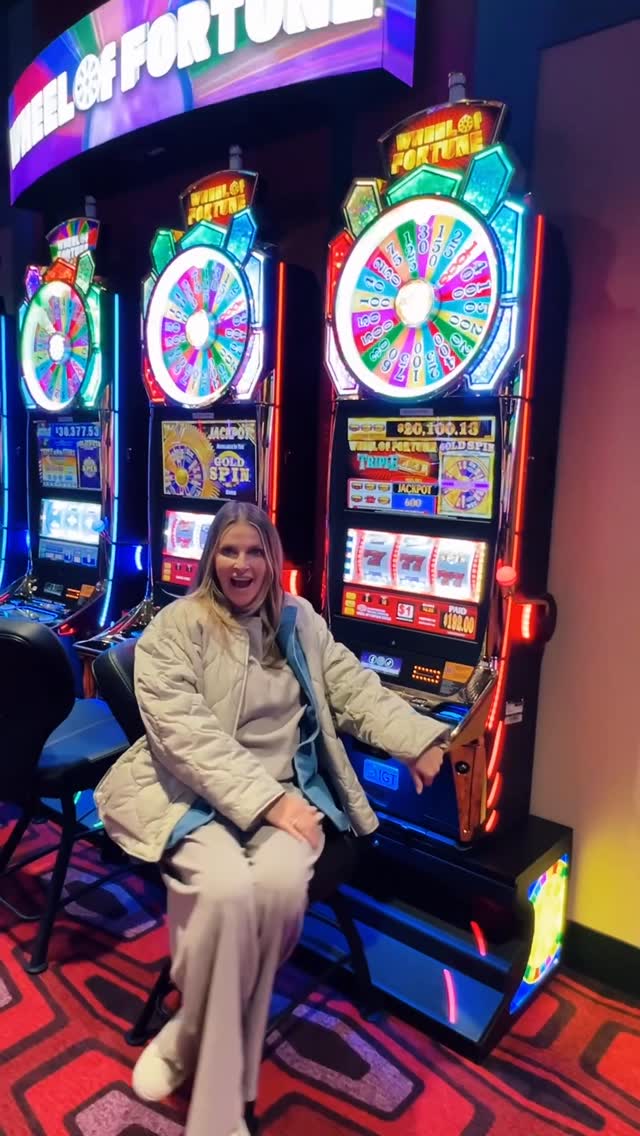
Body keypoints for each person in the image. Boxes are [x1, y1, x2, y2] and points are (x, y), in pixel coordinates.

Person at [94, 503, 449, 1136]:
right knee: (227, 889)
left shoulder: (299, 621)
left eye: (255, 551)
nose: (242, 565)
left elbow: (353, 688)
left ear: (273, 559)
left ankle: (192, 1024)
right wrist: (269, 802)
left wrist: (414, 738)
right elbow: (185, 737)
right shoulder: (175, 627)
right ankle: (217, 1108)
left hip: (289, 793)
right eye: (229, 551)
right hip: (190, 794)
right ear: (210, 558)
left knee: (280, 887)